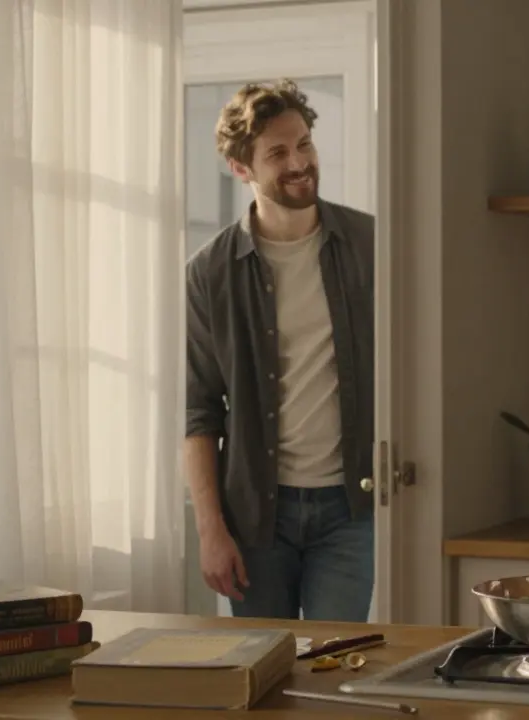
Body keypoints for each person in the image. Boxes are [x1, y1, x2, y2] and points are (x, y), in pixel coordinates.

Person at [184, 79, 375, 622]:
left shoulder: (370, 247)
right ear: (241, 169)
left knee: (332, 669)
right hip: (253, 518)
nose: (299, 162)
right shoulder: (209, 273)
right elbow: (197, 411)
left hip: (350, 510)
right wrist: (211, 531)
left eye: (305, 144)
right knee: (263, 674)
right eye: (278, 153)